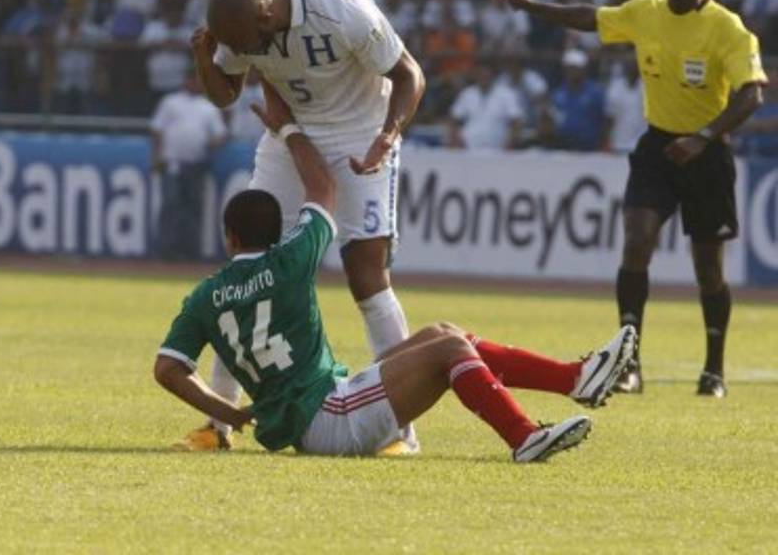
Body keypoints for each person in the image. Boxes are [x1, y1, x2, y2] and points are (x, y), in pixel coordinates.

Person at [154, 82, 637, 460]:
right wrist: (288, 128)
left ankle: (576, 379)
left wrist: (225, 413)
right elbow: (322, 186)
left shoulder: (205, 296)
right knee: (450, 348)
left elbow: (168, 369)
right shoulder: (290, 260)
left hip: (317, 412)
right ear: (274, 235)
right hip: (330, 418)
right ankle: (523, 436)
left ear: (229, 237)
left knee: (444, 333)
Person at [490, 0, 767, 398]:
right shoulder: (645, 12)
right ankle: (629, 365)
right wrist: (530, 6)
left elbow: (751, 93)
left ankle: (713, 369)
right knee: (637, 242)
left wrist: (702, 138)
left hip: (707, 153)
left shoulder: (728, 29)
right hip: (657, 147)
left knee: (708, 270)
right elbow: (588, 17)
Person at [185, 0, 426, 452]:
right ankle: (219, 425)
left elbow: (409, 75)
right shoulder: (242, 24)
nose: (255, 53)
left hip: (362, 133)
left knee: (367, 276)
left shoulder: (343, 9)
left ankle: (402, 431)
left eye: (255, 43)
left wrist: (390, 133)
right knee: (247, 266)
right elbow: (226, 92)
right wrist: (202, 56)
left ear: (268, 14)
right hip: (288, 130)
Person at [149, 72, 228, 260]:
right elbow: (157, 130)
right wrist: (156, 156)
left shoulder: (208, 107)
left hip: (196, 163)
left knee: (193, 207)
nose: (195, 84)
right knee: (171, 204)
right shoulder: (171, 102)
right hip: (172, 162)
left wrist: (209, 143)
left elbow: (220, 134)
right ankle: (166, 250)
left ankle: (191, 251)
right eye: (192, 79)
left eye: (199, 80)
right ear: (186, 81)